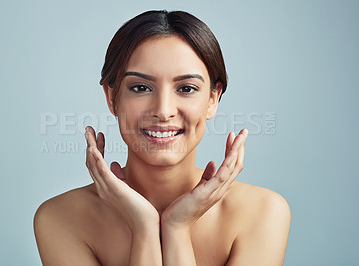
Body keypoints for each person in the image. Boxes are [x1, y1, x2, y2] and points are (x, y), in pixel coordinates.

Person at [33, 10, 291, 265]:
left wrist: (176, 228)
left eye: (186, 88)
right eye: (141, 87)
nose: (163, 110)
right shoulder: (60, 218)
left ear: (212, 99)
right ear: (112, 97)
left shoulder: (262, 213)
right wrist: (143, 226)